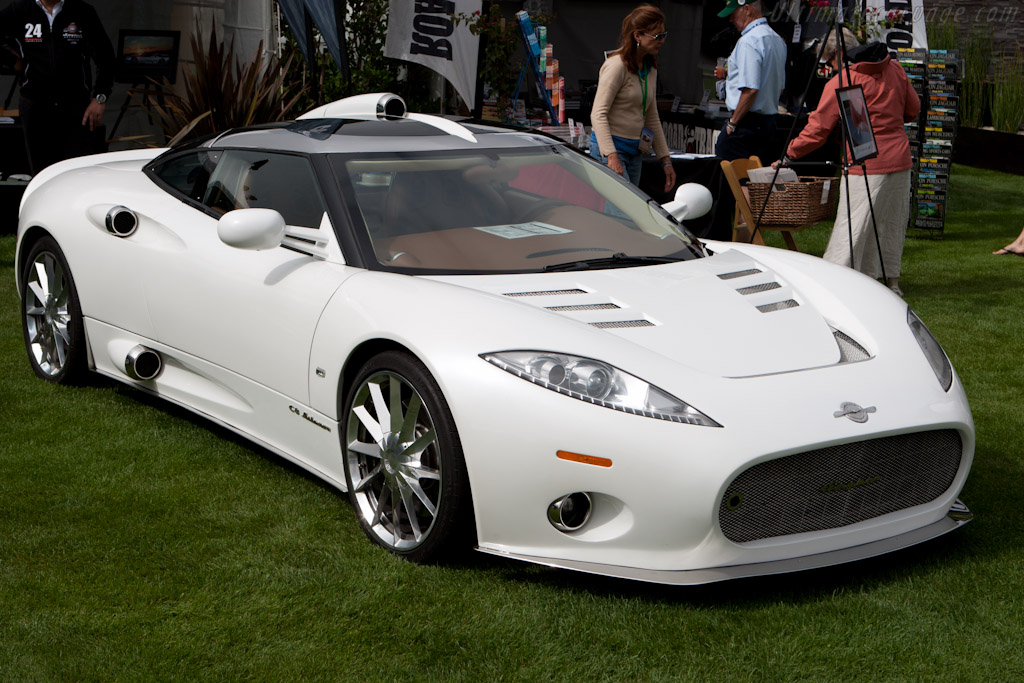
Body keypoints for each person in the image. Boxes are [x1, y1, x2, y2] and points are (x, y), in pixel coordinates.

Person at [776, 30, 920, 296]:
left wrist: (789, 155)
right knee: (890, 224)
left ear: (837, 56)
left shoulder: (843, 81)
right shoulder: (896, 69)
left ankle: (833, 284)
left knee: (850, 227)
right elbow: (913, 109)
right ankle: (891, 283)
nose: (827, 68)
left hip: (865, 164)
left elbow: (818, 129)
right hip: (900, 159)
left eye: (828, 62)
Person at [0, 0, 114, 175]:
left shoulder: (82, 11)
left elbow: (106, 57)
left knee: (76, 173)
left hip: (76, 108)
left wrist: (100, 98)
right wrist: (11, 61)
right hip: (35, 106)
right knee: (41, 174)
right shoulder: (20, 10)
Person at [589, 4, 676, 194]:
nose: (661, 41)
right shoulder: (616, 66)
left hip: (635, 152)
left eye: (663, 36)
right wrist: (611, 156)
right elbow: (598, 114)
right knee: (621, 212)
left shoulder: (650, 68)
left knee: (628, 210)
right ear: (637, 36)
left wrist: (665, 159)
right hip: (612, 150)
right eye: (656, 36)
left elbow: (651, 116)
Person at [714, 0, 787, 161]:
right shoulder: (777, 40)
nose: (731, 20)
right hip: (768, 123)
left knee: (731, 176)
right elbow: (779, 88)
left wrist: (733, 123)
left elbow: (751, 88)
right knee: (758, 181)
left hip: (746, 124)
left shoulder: (749, 41)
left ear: (747, 9)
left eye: (733, 14)